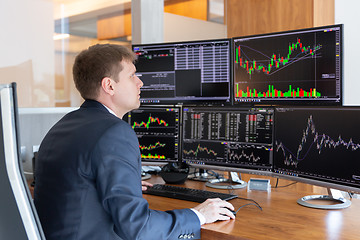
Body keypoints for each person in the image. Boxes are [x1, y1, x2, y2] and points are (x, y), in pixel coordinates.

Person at [34, 44, 235, 240]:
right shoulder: (114, 132)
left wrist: (121, 184)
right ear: (109, 86)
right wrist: (198, 215)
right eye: (132, 76)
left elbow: (77, 186)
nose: (140, 83)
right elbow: (138, 229)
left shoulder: (61, 126)